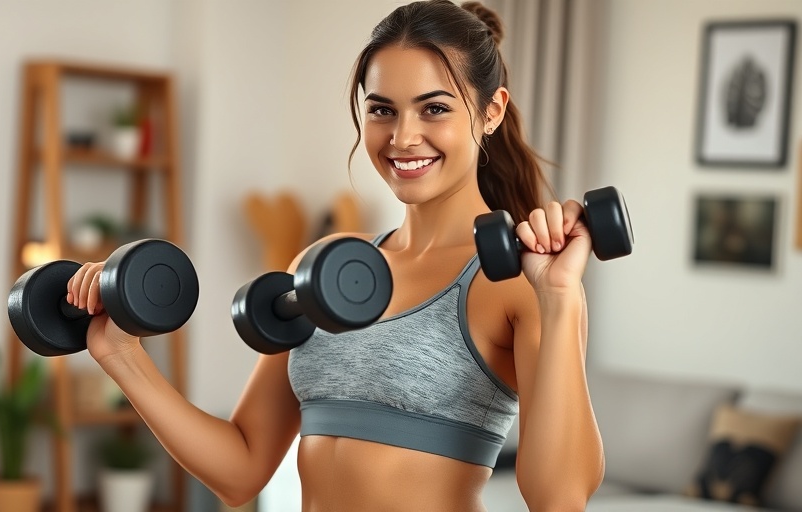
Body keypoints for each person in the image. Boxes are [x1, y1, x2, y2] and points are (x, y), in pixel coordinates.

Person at [66, 1, 605, 510]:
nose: (403, 136)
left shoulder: (516, 279)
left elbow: (559, 500)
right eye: (382, 110)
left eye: (434, 108)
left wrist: (560, 300)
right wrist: (122, 356)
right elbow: (242, 469)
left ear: (491, 113)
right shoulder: (325, 268)